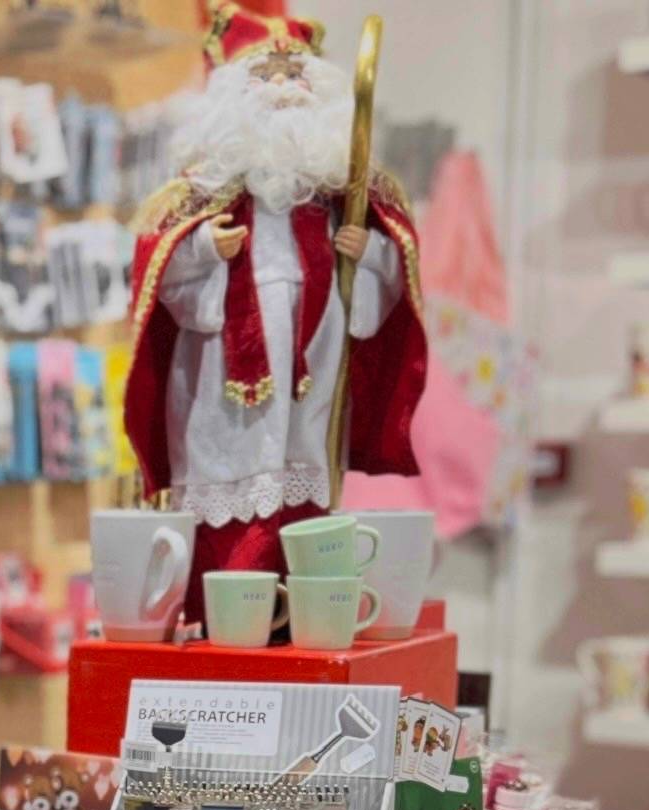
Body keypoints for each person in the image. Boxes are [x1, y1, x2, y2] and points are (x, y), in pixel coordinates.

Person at [125, 1, 427, 622]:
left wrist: (368, 252)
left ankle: (302, 608)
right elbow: (161, 278)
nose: (286, 91)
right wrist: (206, 248)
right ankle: (226, 610)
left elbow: (394, 282)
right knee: (228, 476)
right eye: (269, 78)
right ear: (234, 96)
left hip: (313, 370)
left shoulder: (342, 197)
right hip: (218, 381)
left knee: (304, 471)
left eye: (298, 77)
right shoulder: (201, 196)